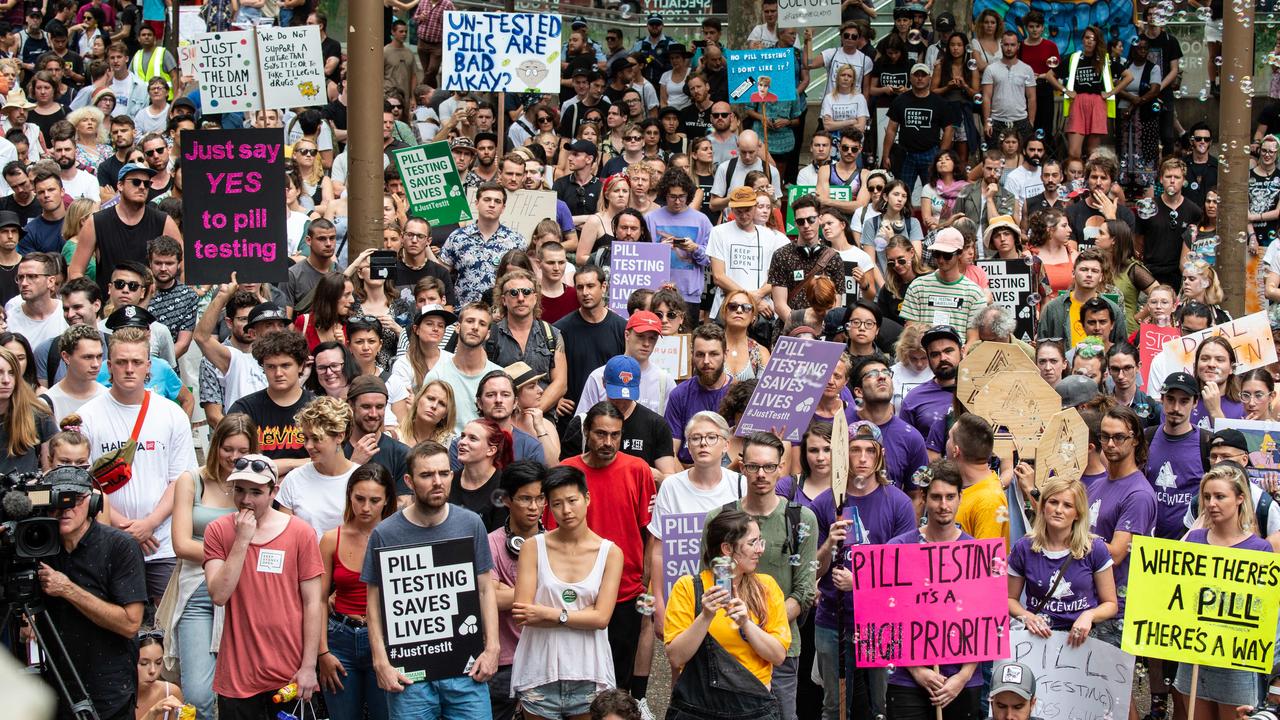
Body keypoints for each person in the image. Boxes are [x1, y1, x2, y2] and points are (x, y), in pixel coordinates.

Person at [365, 440, 501, 716]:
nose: (437, 482)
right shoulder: (385, 533)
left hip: (466, 671)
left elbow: (485, 589)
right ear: (409, 481)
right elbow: (375, 605)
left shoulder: (470, 523)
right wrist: (380, 661)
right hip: (410, 676)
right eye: (426, 475)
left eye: (443, 473)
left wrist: (493, 649)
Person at [80, 327, 195, 605]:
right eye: (121, 362)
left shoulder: (171, 414)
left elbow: (182, 479)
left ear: (149, 367)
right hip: (109, 539)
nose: (129, 369)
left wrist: (149, 524)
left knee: (165, 630)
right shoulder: (88, 417)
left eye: (136, 362)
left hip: (163, 542)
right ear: (109, 367)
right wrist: (124, 526)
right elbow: (85, 482)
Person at [204, 453, 324, 716]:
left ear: (274, 492)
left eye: (256, 492)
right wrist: (242, 541)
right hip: (238, 675)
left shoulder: (300, 532)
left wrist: (308, 666)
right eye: (240, 491)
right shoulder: (217, 530)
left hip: (289, 672)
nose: (246, 500)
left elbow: (313, 602)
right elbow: (219, 595)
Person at [813, 422, 916, 720]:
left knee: (882, 705)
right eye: (854, 450)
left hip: (882, 621)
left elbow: (907, 570)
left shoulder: (898, 504)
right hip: (833, 620)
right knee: (835, 707)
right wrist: (829, 542)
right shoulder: (825, 504)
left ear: (880, 456)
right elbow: (814, 570)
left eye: (869, 451)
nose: (862, 458)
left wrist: (859, 583)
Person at [510, 464, 623, 718]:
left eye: (572, 500)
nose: (566, 510)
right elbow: (523, 613)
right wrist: (580, 616)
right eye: (557, 503)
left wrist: (551, 615)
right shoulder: (533, 547)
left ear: (587, 498)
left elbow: (601, 618)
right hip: (539, 671)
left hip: (588, 671)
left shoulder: (610, 553)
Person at [560, 401, 657, 694]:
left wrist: (646, 577)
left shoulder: (638, 469)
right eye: (601, 434)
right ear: (586, 432)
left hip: (625, 588)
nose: (608, 442)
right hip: (577, 588)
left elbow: (650, 529)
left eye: (615, 435)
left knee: (619, 673)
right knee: (578, 673)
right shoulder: (566, 471)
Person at [35, 465, 146, 720]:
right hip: (56, 686)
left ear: (92, 502)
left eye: (73, 499)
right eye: (56, 501)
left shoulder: (120, 546)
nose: (65, 509)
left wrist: (68, 589)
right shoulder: (36, 546)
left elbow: (130, 623)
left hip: (107, 688)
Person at [161, 413, 252, 720]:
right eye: (228, 449)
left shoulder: (254, 482)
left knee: (242, 687)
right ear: (215, 446)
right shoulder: (193, 480)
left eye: (243, 451)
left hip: (244, 591)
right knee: (198, 693)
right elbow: (182, 544)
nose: (235, 458)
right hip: (197, 589)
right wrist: (230, 555)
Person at [665, 508, 791, 719]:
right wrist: (705, 616)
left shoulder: (766, 587)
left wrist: (746, 624)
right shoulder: (688, 587)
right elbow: (676, 657)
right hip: (699, 707)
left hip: (754, 707)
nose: (760, 550)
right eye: (752, 543)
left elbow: (778, 656)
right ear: (726, 549)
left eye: (761, 541)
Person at [884, 460, 982, 720]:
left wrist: (962, 677)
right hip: (906, 679)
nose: (944, 505)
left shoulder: (978, 554)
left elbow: (986, 621)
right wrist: (917, 670)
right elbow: (886, 618)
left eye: (951, 497)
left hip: (963, 681)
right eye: (936, 497)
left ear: (961, 497)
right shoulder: (899, 549)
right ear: (924, 498)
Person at [1173, 464, 1272, 718]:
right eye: (1207, 497)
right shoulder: (1194, 541)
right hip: (1195, 654)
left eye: (1220, 496)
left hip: (1236, 662)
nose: (1211, 504)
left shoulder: (1259, 550)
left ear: (1240, 498)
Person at [318, 463, 398, 720]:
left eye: (374, 500)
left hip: (386, 637)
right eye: (359, 499)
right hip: (340, 636)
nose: (366, 508)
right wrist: (322, 653)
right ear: (349, 495)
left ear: (386, 501)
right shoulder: (332, 539)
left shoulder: (398, 537)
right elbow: (318, 600)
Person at [1008, 475, 1118, 644]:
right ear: (1043, 506)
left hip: (1081, 641)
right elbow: (1009, 599)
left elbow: (1111, 604)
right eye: (1053, 502)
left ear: (1077, 514)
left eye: (1067, 505)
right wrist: (1027, 617)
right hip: (1038, 640)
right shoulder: (1024, 547)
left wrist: (1089, 615)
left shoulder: (1094, 549)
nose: (1059, 510)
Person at [1089, 405, 1158, 647]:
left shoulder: (1138, 493)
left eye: (1119, 437)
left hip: (1118, 611)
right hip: (1091, 604)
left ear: (1135, 440)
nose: (1110, 444)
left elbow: (1117, 554)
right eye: (1104, 436)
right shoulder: (1097, 485)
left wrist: (1073, 538)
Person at [68, 160, 178, 295]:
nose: (142, 187)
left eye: (147, 183)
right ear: (120, 185)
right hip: (109, 306)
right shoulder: (97, 222)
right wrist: (91, 300)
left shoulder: (163, 221)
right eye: (136, 182)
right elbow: (75, 271)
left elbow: (182, 265)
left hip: (152, 304)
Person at [226, 330, 314, 477]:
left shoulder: (318, 407)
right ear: (263, 368)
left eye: (286, 365)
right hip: (256, 489)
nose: (278, 373)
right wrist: (298, 464)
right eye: (271, 367)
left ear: (300, 366)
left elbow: (328, 461)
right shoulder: (244, 409)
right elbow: (237, 462)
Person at [278, 395, 358, 539]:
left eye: (316, 439)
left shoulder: (360, 478)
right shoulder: (294, 479)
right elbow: (284, 537)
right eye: (305, 438)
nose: (308, 446)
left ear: (339, 436)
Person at [851, 356, 929, 493]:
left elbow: (916, 496)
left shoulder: (912, 438)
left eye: (886, 373)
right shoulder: (840, 427)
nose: (882, 377)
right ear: (859, 392)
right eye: (872, 374)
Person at [425, 302, 502, 434]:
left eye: (482, 324)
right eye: (470, 321)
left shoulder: (500, 377)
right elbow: (425, 426)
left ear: (488, 334)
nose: (475, 327)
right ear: (457, 327)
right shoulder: (437, 376)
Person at [899, 229, 985, 330]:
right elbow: (911, 332)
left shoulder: (974, 293)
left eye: (947, 255)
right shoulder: (917, 287)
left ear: (960, 254)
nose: (941, 259)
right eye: (937, 254)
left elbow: (973, 339)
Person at [946, 413, 1010, 544]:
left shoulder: (989, 500)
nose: (946, 442)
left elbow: (984, 560)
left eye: (949, 438)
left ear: (956, 450)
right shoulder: (965, 488)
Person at [900, 325, 964, 440]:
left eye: (948, 351)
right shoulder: (914, 399)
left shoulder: (980, 392)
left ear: (962, 351)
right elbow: (905, 444)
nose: (943, 358)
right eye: (935, 354)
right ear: (928, 359)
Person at [0, 345, 54, 471]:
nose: (6, 380)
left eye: (12, 373)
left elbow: (51, 471)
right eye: (0, 373)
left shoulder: (38, 414)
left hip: (25, 489)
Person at [136, 633, 185, 720]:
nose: (153, 670)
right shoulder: (114, 695)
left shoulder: (171, 692)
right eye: (144, 664)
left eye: (158, 662)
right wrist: (152, 713)